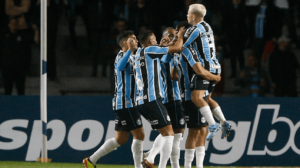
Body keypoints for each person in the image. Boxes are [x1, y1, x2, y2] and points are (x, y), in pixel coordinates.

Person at [83, 31, 145, 168]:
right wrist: (130, 50)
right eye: (133, 38)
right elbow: (120, 67)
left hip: (127, 103)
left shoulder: (135, 56)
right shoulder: (121, 55)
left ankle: (91, 160)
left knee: (121, 139)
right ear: (125, 42)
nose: (136, 40)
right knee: (139, 134)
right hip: (126, 102)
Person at [134, 28, 185, 168]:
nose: (157, 42)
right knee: (169, 134)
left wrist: (163, 47)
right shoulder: (151, 50)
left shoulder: (137, 53)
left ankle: (150, 157)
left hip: (141, 101)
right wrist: (179, 36)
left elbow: (165, 58)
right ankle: (150, 159)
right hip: (152, 98)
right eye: (155, 39)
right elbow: (177, 48)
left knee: (166, 133)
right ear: (150, 41)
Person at [183, 4, 231, 141]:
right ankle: (224, 122)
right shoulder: (207, 26)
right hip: (215, 65)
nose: (187, 16)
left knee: (196, 97)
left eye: (188, 14)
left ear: (193, 16)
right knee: (207, 99)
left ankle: (212, 124)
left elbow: (180, 44)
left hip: (206, 67)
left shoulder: (195, 29)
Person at [0, 17, 38, 95]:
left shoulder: (23, 35)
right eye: (12, 23)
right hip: (7, 69)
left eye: (15, 23)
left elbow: (34, 42)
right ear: (9, 24)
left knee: (20, 90)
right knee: (7, 90)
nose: (14, 25)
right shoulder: (3, 36)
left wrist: (36, 30)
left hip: (20, 69)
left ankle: (21, 105)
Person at [222, 0, 247, 78]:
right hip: (231, 35)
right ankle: (234, 73)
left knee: (240, 54)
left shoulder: (243, 8)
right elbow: (225, 21)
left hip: (240, 35)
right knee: (232, 55)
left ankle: (243, 72)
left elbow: (245, 22)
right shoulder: (228, 8)